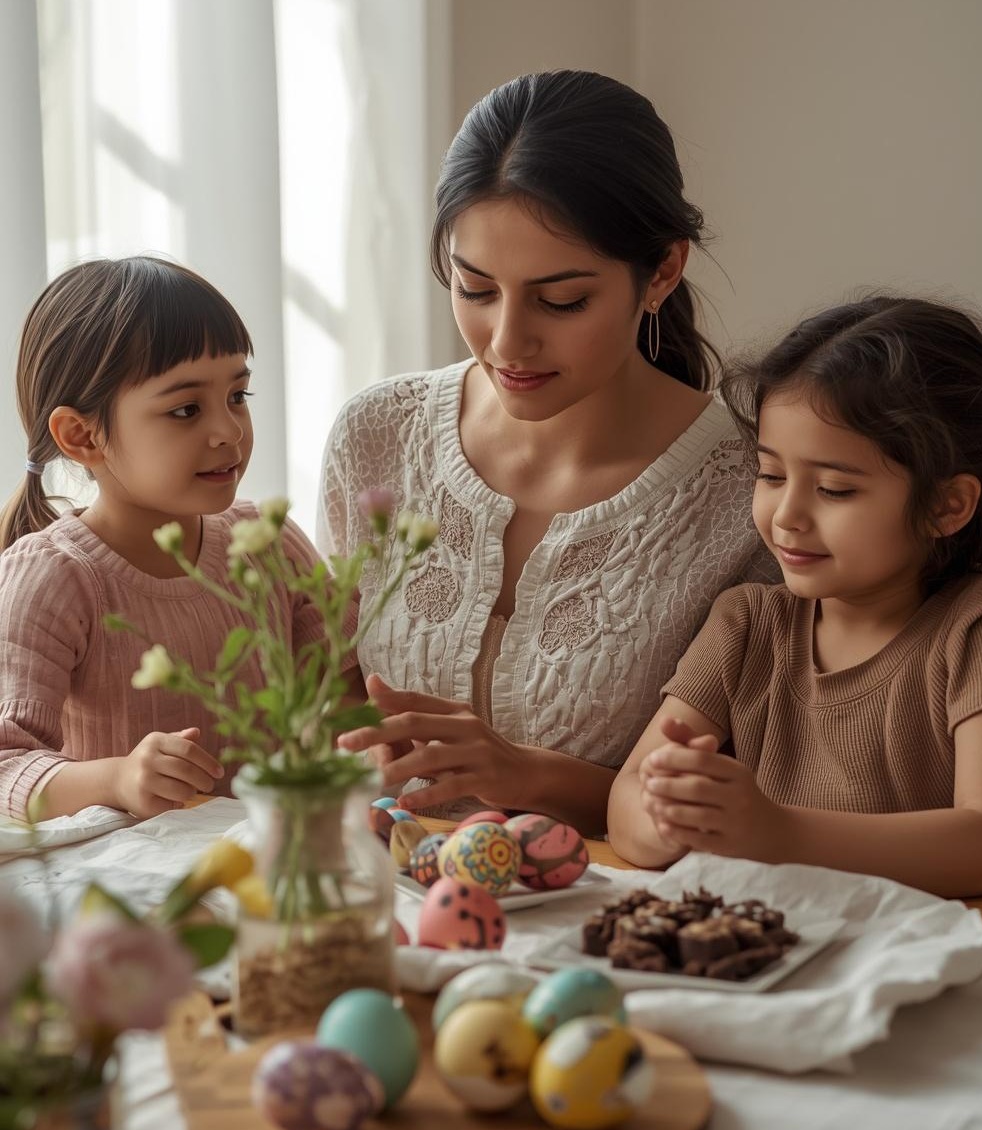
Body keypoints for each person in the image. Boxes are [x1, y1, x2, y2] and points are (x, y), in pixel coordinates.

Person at [319, 69, 775, 834]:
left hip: (620, 922)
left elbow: (748, 799)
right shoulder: (375, 437)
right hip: (389, 905)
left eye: (561, 300)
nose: (508, 341)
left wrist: (522, 774)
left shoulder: (753, 492)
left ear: (662, 271)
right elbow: (330, 706)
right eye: (475, 288)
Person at [608, 296, 982, 897]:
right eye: (772, 475)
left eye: (835, 489)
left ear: (946, 505)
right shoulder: (749, 624)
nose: (787, 515)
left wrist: (777, 834)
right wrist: (672, 817)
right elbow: (625, 802)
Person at [0, 256, 326, 823]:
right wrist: (118, 778)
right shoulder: (53, 580)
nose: (228, 431)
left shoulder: (268, 543)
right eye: (185, 409)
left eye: (238, 396)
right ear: (82, 436)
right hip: (131, 891)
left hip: (274, 869)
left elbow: (347, 693)